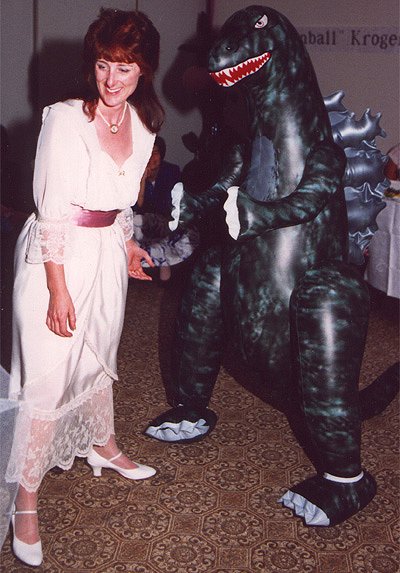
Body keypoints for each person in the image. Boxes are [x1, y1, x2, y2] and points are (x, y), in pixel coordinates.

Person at [5, 8, 164, 567]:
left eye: (124, 67)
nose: (111, 79)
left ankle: (103, 445)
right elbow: (52, 211)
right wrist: (57, 289)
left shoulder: (143, 124)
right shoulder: (65, 119)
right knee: (47, 378)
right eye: (103, 65)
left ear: (143, 70)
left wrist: (129, 245)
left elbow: (119, 205)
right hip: (56, 258)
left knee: (99, 355)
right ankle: (24, 501)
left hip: (104, 254)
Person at [133, 137, 199, 281]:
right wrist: (142, 180)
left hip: (167, 221)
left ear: (161, 155)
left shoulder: (171, 171)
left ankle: (164, 264)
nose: (151, 157)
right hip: (146, 223)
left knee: (187, 234)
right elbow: (137, 207)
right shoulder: (135, 174)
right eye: (147, 152)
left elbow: (169, 205)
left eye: (155, 152)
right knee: (135, 221)